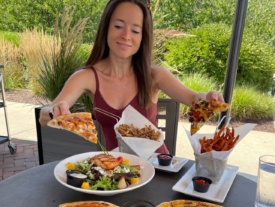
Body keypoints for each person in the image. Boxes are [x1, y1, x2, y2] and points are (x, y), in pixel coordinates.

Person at [39, 0, 225, 153]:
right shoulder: (86, 77)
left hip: (158, 169)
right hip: (116, 170)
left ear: (143, 37)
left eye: (135, 30)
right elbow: (45, 116)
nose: (126, 35)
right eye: (119, 26)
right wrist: (53, 112)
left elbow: (194, 99)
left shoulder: (154, 75)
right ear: (106, 28)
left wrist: (208, 99)